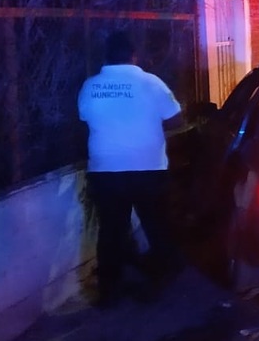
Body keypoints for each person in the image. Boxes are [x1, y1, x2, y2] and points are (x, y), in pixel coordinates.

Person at [77, 31, 184, 307]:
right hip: (148, 168)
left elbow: (85, 118)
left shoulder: (91, 86)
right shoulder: (151, 83)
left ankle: (109, 290)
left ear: (107, 56)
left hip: (106, 170)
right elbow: (176, 120)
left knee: (111, 231)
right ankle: (163, 281)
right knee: (157, 225)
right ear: (133, 55)